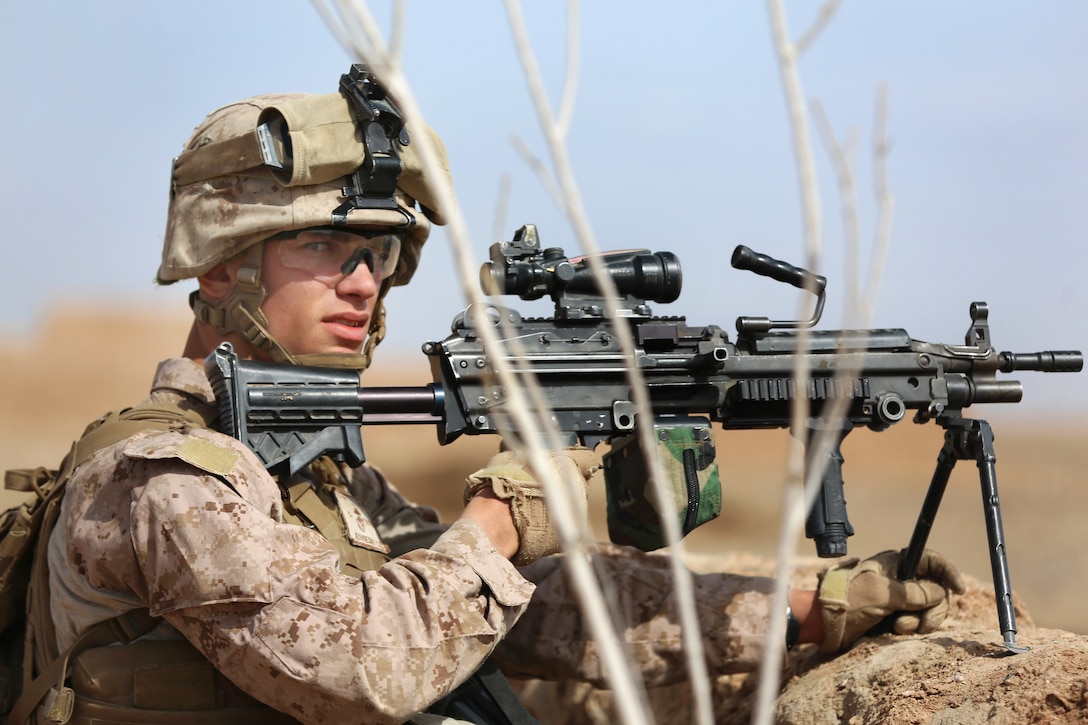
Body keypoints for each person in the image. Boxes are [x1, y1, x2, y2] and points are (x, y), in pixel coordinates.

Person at [22, 68, 965, 725]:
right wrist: (502, 514)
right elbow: (358, 672)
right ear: (223, 266)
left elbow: (531, 607)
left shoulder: (310, 471)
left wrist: (809, 605)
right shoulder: (164, 480)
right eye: (326, 247)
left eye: (381, 255)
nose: (365, 283)